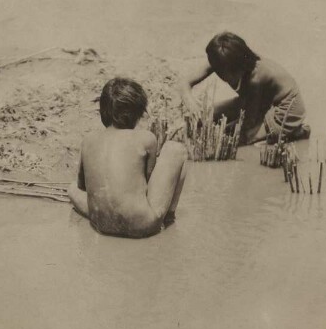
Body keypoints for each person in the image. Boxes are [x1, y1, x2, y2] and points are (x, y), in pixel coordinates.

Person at [68, 78, 187, 238]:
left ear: (103, 111)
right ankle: (169, 219)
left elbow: (82, 187)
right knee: (176, 149)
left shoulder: (88, 140)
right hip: (141, 226)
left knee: (71, 189)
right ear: (137, 114)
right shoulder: (147, 138)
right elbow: (149, 182)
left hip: (100, 223)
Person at [179, 32, 310, 145]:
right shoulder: (221, 60)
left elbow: (249, 123)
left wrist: (222, 131)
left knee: (243, 139)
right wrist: (191, 104)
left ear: (241, 66)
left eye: (230, 75)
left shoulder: (256, 77)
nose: (225, 78)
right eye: (220, 72)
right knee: (210, 114)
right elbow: (185, 82)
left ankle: (296, 132)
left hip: (286, 108)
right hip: (261, 99)